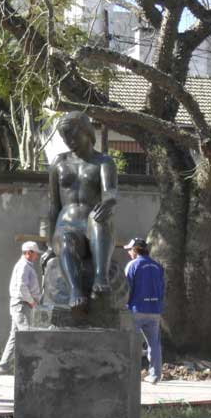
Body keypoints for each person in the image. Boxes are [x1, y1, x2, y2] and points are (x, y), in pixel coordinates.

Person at [42, 111, 118, 311]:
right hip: (66, 224)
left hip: (93, 224)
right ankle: (76, 291)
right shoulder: (58, 163)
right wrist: (50, 245)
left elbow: (110, 192)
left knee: (98, 219)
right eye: (65, 137)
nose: (69, 141)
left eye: (72, 134)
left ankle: (101, 279)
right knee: (66, 241)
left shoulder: (104, 162)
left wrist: (109, 202)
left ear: (86, 131)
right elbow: (53, 205)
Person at [0, 241, 42, 375]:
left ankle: (3, 367)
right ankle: (30, 368)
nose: (37, 256)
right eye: (35, 254)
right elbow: (22, 286)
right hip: (21, 305)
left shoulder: (26, 265)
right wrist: (32, 301)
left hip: (21, 304)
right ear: (28, 253)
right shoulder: (24, 266)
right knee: (27, 334)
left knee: (15, 336)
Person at [124, 237, 165, 384]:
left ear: (135, 250)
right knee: (154, 344)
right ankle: (155, 376)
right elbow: (162, 289)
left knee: (132, 343)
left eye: (129, 250)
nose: (129, 252)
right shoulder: (158, 266)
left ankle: (131, 375)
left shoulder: (132, 265)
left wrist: (124, 306)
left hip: (136, 309)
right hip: (154, 311)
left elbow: (126, 289)